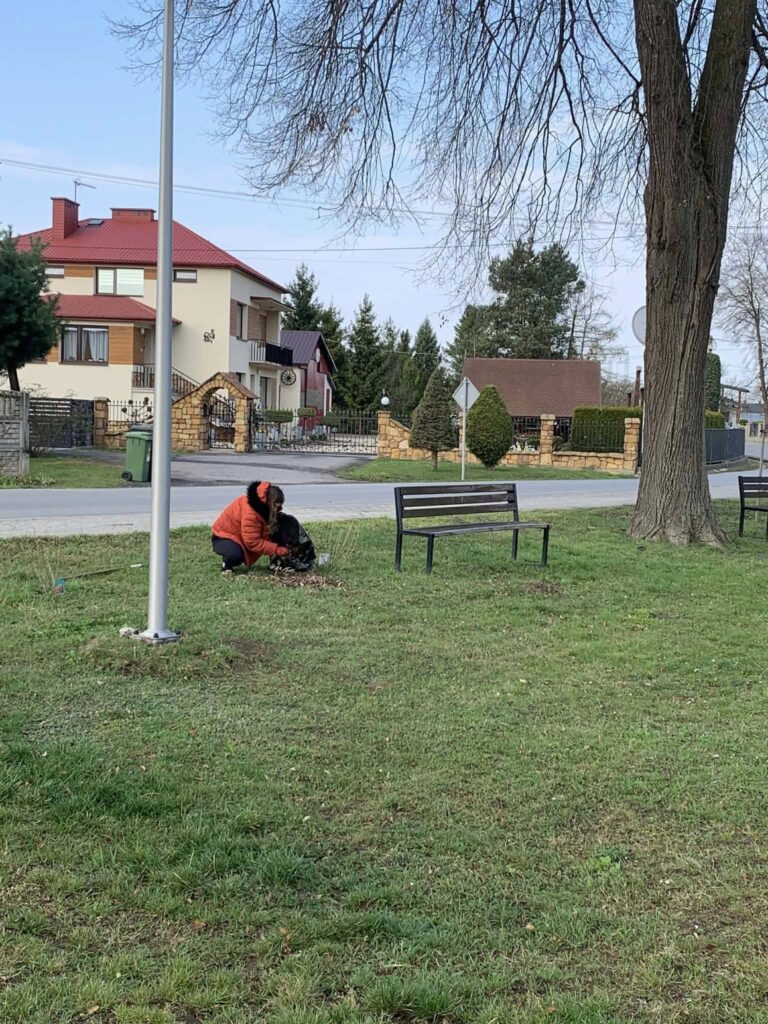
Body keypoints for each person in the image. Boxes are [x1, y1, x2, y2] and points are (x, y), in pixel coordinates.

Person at [211, 480, 290, 572]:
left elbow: (266, 533)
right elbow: (253, 542)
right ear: (269, 502)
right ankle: (226, 565)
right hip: (222, 537)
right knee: (235, 556)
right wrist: (276, 549)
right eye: (275, 507)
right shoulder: (250, 513)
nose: (277, 510)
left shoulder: (262, 507)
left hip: (241, 535)